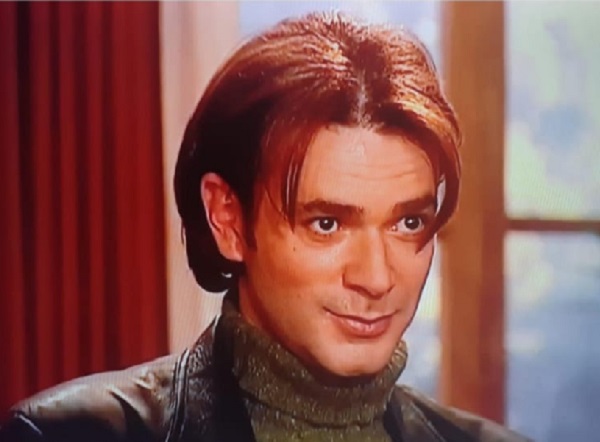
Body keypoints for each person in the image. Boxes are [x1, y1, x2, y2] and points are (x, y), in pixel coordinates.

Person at [0, 11, 529, 442]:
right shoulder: (70, 435)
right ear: (228, 219)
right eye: (327, 224)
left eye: (408, 222)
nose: (376, 278)